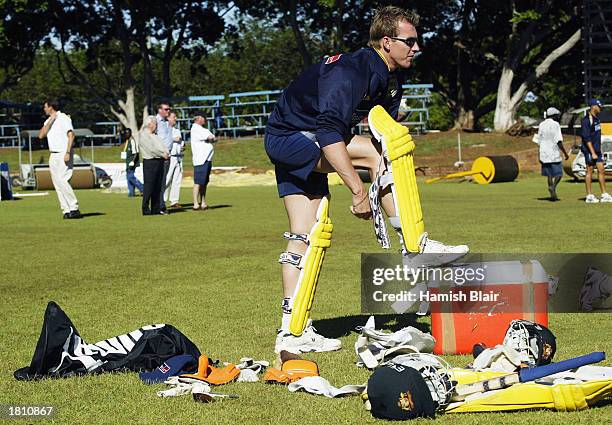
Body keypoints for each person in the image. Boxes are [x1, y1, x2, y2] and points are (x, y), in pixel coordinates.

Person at [264, 6, 468, 354]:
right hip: (290, 137)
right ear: (387, 42)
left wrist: (395, 176)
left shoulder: (390, 77)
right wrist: (359, 191)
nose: (417, 47)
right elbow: (331, 133)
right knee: (379, 153)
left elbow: (381, 129)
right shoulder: (353, 71)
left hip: (299, 138)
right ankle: (414, 247)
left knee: (306, 234)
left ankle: (292, 330)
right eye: (410, 41)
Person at [38, 100, 81, 219]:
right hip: (53, 154)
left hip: (63, 151)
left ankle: (74, 207)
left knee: (63, 180)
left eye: (45, 107)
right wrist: (51, 120)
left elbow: (71, 135)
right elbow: (41, 135)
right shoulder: (48, 121)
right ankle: (66, 210)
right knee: (57, 183)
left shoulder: (64, 118)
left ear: (51, 107)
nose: (44, 109)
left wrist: (68, 152)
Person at [534, 107, 569, 201]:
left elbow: (538, 140)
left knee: (549, 174)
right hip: (553, 152)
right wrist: (565, 153)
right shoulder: (555, 125)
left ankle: (553, 196)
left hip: (544, 152)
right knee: (559, 173)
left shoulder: (541, 124)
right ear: (554, 115)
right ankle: (553, 187)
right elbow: (558, 140)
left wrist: (539, 153)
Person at [581, 98, 612, 203]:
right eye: (599, 107)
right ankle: (589, 195)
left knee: (601, 170)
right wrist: (592, 152)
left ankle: (604, 194)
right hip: (590, 150)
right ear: (593, 106)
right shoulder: (586, 120)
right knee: (589, 170)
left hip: (597, 150)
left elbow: (596, 136)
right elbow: (586, 138)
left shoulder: (597, 119)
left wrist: (599, 150)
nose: (600, 109)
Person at [139, 116, 169, 215]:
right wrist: (162, 154)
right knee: (149, 186)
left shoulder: (155, 136)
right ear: (150, 124)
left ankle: (155, 208)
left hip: (159, 162)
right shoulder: (143, 135)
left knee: (158, 186)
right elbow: (151, 149)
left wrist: (166, 153)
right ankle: (145, 208)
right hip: (150, 162)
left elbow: (163, 147)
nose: (156, 126)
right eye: (155, 123)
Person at [190, 115, 215, 210]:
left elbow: (213, 138)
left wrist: (211, 138)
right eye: (203, 117)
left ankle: (203, 202)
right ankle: (195, 203)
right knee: (198, 182)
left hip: (207, 158)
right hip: (200, 159)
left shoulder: (203, 129)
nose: (205, 119)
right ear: (198, 118)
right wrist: (210, 138)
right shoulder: (195, 128)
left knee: (204, 182)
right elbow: (209, 137)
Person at [164, 112, 185, 207]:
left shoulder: (177, 130)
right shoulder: (164, 129)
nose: (175, 118)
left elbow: (180, 142)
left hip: (178, 157)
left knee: (177, 179)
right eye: (173, 117)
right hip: (170, 157)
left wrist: (182, 147)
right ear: (168, 118)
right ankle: (162, 200)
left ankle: (174, 200)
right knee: (167, 179)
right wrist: (173, 139)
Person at [156, 102, 173, 213]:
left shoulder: (166, 123)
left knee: (163, 182)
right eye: (166, 109)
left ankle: (160, 205)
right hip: (160, 156)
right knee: (159, 182)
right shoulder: (155, 121)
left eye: (169, 109)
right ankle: (159, 206)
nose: (168, 111)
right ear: (160, 110)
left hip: (167, 156)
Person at [123, 128, 144, 197]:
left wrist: (132, 161)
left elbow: (136, 153)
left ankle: (143, 189)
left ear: (130, 133)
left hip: (132, 162)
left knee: (131, 177)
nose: (126, 134)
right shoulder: (127, 141)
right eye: (125, 133)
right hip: (127, 161)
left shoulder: (132, 141)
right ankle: (131, 192)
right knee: (128, 177)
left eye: (127, 133)